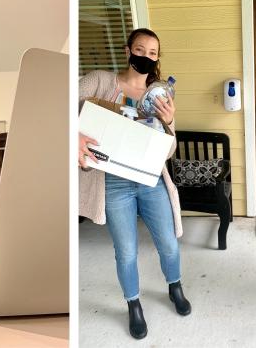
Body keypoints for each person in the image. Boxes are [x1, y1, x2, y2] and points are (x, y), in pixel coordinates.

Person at [79, 28, 190, 339]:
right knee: (125, 251)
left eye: (153, 53)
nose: (146, 56)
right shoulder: (99, 81)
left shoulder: (159, 95)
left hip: (150, 179)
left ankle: (175, 286)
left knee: (167, 242)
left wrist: (169, 123)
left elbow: (168, 152)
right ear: (128, 51)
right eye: (140, 50)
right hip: (114, 184)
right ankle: (133, 305)